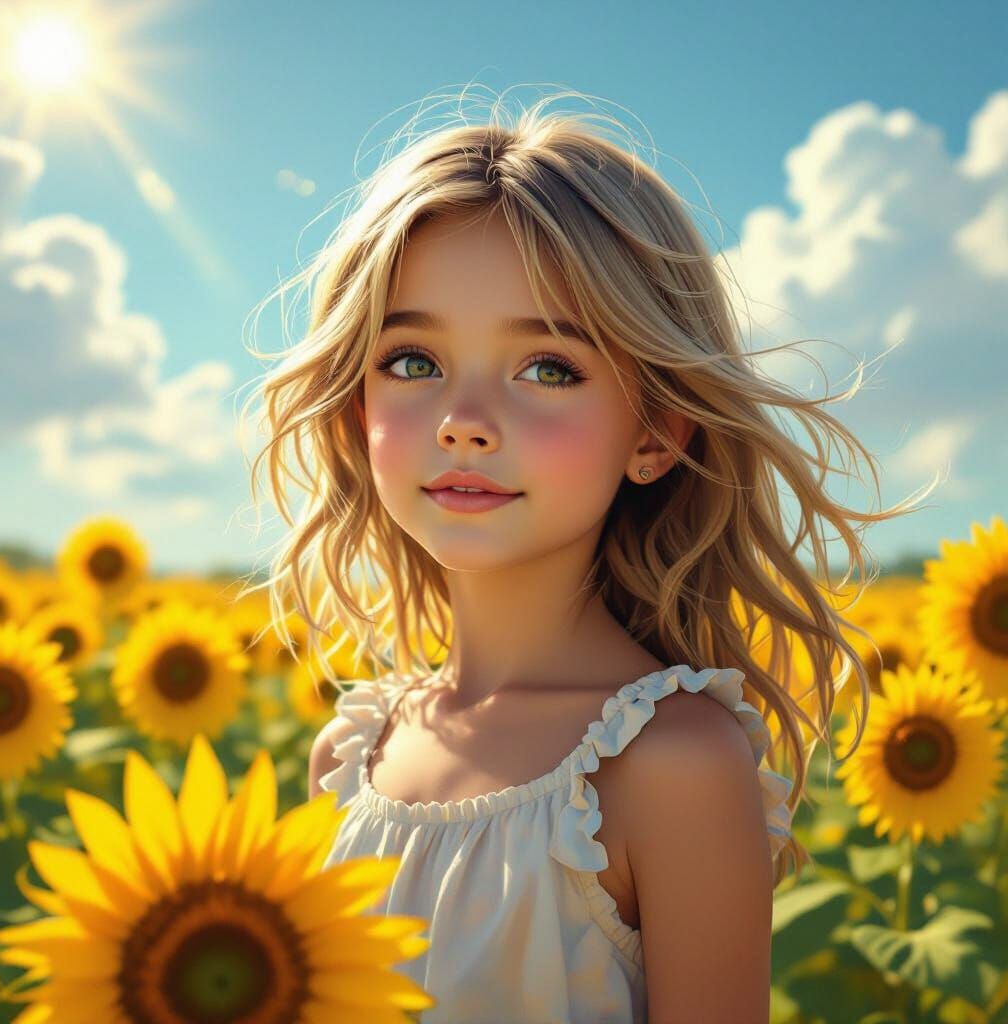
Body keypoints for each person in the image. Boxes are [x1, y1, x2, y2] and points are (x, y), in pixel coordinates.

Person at [240, 88, 933, 1023]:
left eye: (547, 369)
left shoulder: (672, 767)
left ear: (655, 433)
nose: (463, 423)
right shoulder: (350, 754)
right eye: (411, 361)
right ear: (354, 401)